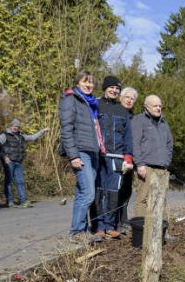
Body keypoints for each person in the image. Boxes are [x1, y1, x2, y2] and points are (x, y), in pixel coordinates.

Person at [59, 70, 105, 236]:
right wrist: (74, 155)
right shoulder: (71, 99)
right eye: (85, 81)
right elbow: (66, 129)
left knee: (81, 193)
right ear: (78, 82)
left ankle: (81, 231)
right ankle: (77, 232)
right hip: (80, 151)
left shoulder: (91, 103)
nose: (88, 85)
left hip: (93, 151)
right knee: (88, 193)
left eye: (91, 82)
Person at [95, 76, 133, 238]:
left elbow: (128, 137)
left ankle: (110, 226)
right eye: (111, 87)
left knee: (113, 192)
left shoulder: (122, 111)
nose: (114, 90)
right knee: (99, 192)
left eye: (117, 88)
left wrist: (128, 157)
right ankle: (98, 227)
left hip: (117, 158)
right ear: (105, 88)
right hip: (98, 156)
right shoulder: (95, 105)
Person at [131, 94, 173, 218]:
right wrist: (139, 164)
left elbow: (169, 144)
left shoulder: (164, 123)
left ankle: (158, 232)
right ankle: (142, 233)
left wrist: (167, 161)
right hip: (146, 167)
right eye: (155, 106)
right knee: (143, 200)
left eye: (160, 106)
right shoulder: (139, 120)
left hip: (162, 168)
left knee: (160, 200)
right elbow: (135, 143)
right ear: (146, 107)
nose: (158, 108)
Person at [0, 119, 48, 208]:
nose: (15, 127)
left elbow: (33, 137)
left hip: (19, 161)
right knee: (8, 182)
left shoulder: (21, 136)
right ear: (10, 126)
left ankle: (23, 201)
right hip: (9, 162)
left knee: (20, 181)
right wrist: (4, 157)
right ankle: (10, 201)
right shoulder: (4, 135)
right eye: (14, 126)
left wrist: (43, 131)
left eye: (17, 126)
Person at [116, 86, 138, 233]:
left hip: (130, 159)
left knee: (126, 190)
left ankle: (123, 220)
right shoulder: (115, 113)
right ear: (121, 98)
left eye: (132, 99)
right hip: (116, 156)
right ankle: (113, 221)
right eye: (127, 97)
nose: (129, 100)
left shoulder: (134, 118)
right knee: (115, 191)